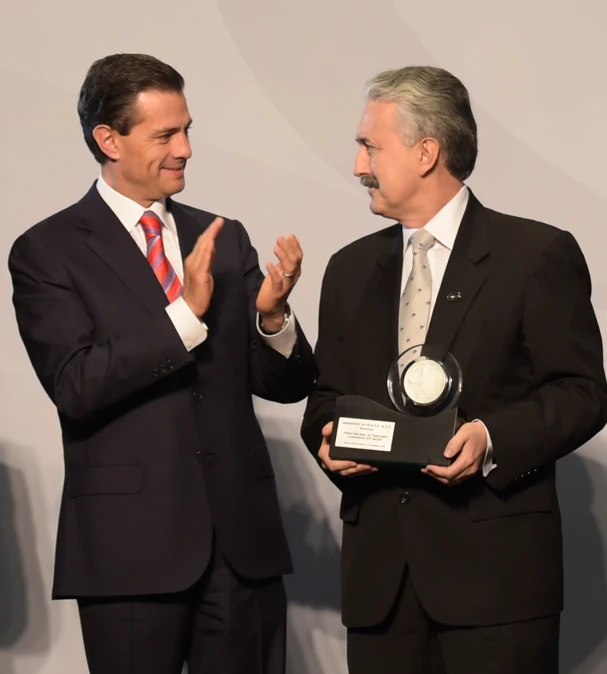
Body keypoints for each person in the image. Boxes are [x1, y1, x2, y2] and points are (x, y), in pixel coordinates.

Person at [8, 53, 317, 674]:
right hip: (130, 552)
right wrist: (185, 315)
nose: (186, 149)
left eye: (187, 129)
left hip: (241, 550)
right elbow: (76, 383)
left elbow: (284, 384)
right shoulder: (48, 250)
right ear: (108, 139)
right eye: (165, 135)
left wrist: (274, 319)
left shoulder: (222, 236)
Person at [300, 65, 607, 674]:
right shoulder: (348, 269)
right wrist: (327, 441)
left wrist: (493, 437)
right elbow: (325, 400)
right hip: (381, 589)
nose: (358, 164)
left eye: (370, 146)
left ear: (426, 152)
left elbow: (583, 392)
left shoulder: (536, 254)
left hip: (497, 584)